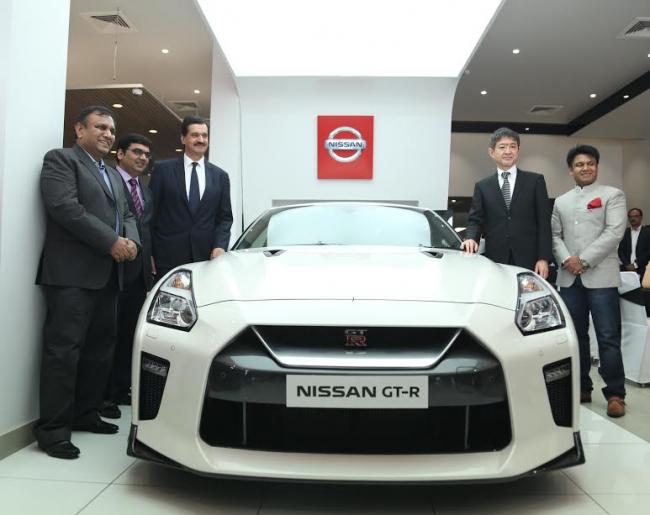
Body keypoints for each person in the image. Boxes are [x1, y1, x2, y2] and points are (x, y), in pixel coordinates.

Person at [35, 106, 140, 458]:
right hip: (71, 275)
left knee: (99, 351)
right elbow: (65, 208)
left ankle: (85, 413)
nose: (108, 134)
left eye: (112, 129)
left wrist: (132, 242)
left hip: (109, 275)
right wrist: (111, 242)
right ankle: (53, 431)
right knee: (63, 353)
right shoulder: (61, 160)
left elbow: (128, 213)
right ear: (79, 130)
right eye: (101, 127)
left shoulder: (111, 173)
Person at [551, 144, 627, 417]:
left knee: (608, 337)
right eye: (580, 164)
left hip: (602, 278)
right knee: (575, 337)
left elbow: (614, 232)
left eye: (590, 163)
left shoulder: (612, 195)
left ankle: (615, 393)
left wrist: (582, 260)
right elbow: (555, 236)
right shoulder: (560, 201)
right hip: (569, 280)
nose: (585, 168)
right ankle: (582, 386)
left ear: (597, 166)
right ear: (570, 170)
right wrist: (566, 260)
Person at [101, 134, 155, 419]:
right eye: (136, 152)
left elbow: (147, 231)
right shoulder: (109, 180)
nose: (143, 157)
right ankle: (103, 396)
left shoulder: (144, 189)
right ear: (120, 154)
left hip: (139, 274)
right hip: (114, 271)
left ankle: (121, 389)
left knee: (128, 336)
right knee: (107, 337)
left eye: (146, 154)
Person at [461, 127, 552, 279]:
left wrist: (543, 258)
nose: (508, 151)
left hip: (530, 259)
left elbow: (544, 222)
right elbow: (475, 220)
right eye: (502, 147)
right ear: (492, 152)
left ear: (518, 150)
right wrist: (471, 238)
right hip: (495, 259)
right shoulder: (482, 186)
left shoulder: (535, 181)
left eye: (512, 146)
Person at [149, 115, 233, 278]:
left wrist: (220, 246)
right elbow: (151, 214)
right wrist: (149, 252)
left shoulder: (220, 176)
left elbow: (225, 218)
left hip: (207, 258)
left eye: (204, 135)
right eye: (195, 135)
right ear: (183, 138)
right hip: (167, 258)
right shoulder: (163, 170)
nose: (201, 140)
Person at [618, 208, 650, 280]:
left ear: (641, 217)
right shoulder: (625, 232)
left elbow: (648, 251)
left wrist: (635, 265)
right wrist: (627, 265)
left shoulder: (647, 232)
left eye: (636, 216)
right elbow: (620, 251)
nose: (633, 219)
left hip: (643, 268)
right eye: (630, 217)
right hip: (626, 269)